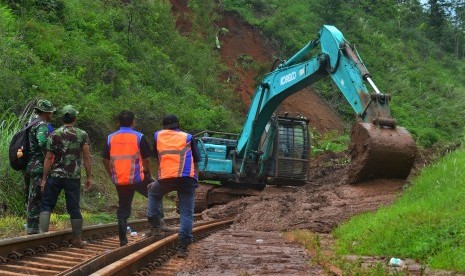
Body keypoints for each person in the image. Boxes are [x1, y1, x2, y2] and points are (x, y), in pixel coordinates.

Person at [38, 105, 92, 248]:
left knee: (46, 204)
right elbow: (86, 157)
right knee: (73, 207)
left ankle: (42, 237)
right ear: (74, 118)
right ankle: (77, 240)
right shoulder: (82, 134)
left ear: (62, 118)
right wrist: (88, 177)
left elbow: (48, 158)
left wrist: (44, 179)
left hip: (55, 176)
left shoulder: (54, 134)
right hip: (73, 177)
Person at [147, 114, 200, 258]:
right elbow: (196, 161)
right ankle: (182, 247)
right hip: (187, 179)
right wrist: (196, 179)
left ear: (163, 126)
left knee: (153, 192)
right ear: (178, 125)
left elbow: (159, 158)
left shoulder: (158, 136)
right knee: (186, 214)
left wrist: (158, 178)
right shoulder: (188, 137)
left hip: (166, 177)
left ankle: (155, 222)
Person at [101, 111, 155, 246]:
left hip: (120, 179)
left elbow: (105, 159)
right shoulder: (138, 137)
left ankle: (122, 240)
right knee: (155, 195)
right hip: (137, 178)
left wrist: (111, 174)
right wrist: (151, 175)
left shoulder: (110, 138)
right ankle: (157, 227)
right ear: (133, 122)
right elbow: (147, 159)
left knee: (123, 208)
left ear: (118, 123)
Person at [25, 99, 55, 235]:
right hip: (38, 166)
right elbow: (43, 143)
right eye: (50, 112)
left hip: (30, 165)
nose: (52, 114)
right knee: (37, 197)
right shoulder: (42, 125)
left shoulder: (30, 123)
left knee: (32, 196)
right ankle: (33, 229)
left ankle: (31, 226)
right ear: (45, 112)